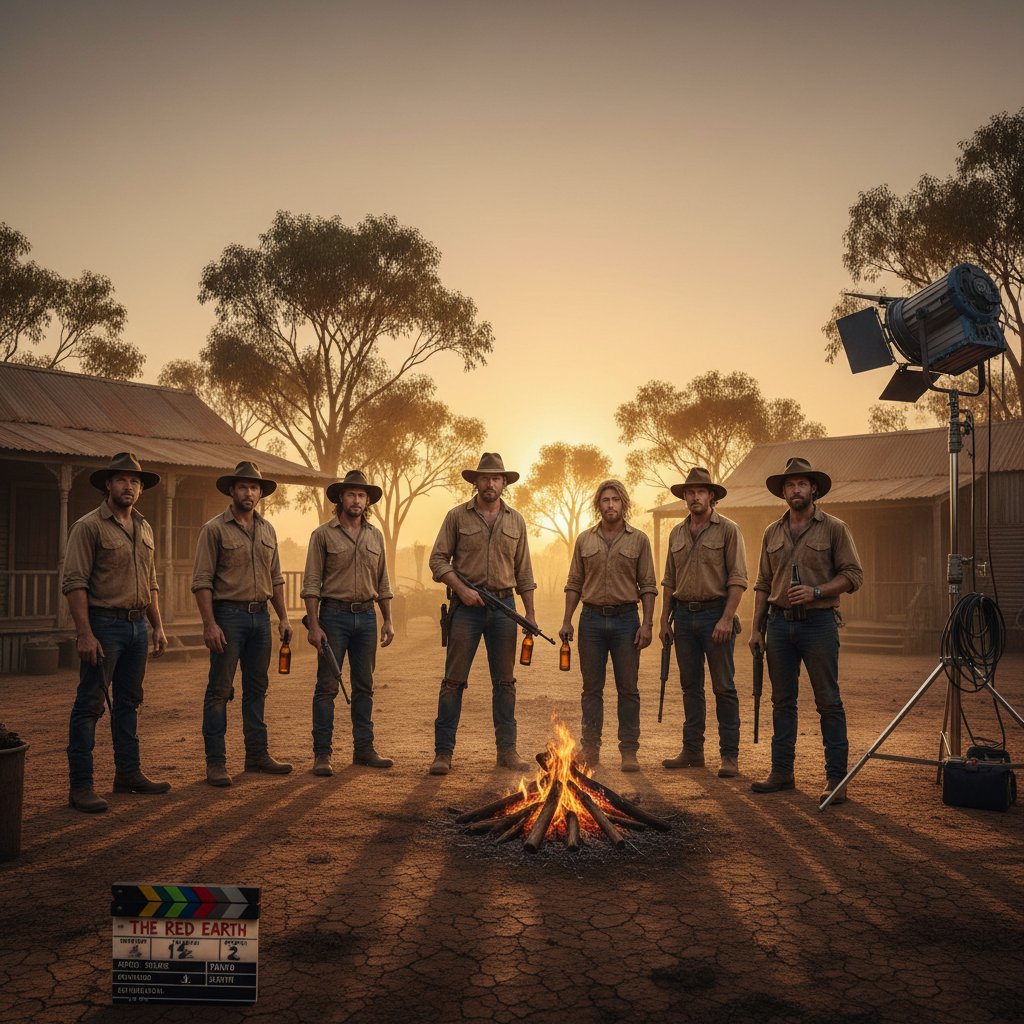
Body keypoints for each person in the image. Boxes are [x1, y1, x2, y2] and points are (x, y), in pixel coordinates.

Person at [748, 456, 863, 804]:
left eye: (802, 484)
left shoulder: (834, 528)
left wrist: (816, 591)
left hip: (819, 624)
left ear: (813, 488)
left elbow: (853, 576)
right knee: (782, 702)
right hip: (779, 625)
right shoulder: (772, 532)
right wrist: (756, 629)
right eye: (789, 485)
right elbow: (762, 584)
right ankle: (782, 772)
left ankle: (836, 780)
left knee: (828, 702)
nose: (795, 489)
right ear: (783, 491)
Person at [62, 452, 170, 813]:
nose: (130, 486)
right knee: (90, 704)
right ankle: (81, 787)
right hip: (104, 626)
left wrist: (157, 626)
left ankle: (127, 774)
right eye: (122, 479)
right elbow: (74, 582)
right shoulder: (88, 526)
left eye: (135, 481)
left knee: (129, 703)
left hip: (138, 626)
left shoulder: (145, 527)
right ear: (108, 484)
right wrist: (84, 633)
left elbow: (151, 582)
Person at [427, 453, 537, 775]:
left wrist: (529, 613)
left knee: (505, 683)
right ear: (476, 482)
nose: (491, 483)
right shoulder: (456, 517)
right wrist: (461, 589)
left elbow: (524, 573)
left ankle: (507, 752)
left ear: (504, 483)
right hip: (466, 610)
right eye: (485, 478)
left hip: (505, 609)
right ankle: (443, 754)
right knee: (453, 681)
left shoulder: (516, 520)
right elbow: (437, 560)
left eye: (496, 478)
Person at [192, 461, 293, 787]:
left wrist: (284, 618)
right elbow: (202, 581)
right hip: (228, 618)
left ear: (260, 494)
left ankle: (257, 756)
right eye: (243, 487)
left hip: (261, 618)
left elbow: (275, 579)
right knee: (220, 690)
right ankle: (216, 764)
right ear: (232, 491)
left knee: (257, 689)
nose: (248, 493)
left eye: (254, 488)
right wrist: (210, 624)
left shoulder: (268, 530)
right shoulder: (214, 529)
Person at [302, 470, 395, 776]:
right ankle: (322, 755)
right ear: (341, 498)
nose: (357, 500)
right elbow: (312, 583)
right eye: (351, 494)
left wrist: (388, 620)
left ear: (367, 501)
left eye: (362, 496)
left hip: (367, 616)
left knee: (364, 686)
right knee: (327, 686)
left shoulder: (375, 536)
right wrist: (314, 625)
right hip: (333, 616)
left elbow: (383, 582)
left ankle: (364, 750)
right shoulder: (322, 535)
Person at [560, 480, 657, 772]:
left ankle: (629, 751)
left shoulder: (639, 540)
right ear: (598, 505)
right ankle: (591, 749)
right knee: (591, 690)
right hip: (590, 620)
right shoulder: (584, 540)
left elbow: (648, 586)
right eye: (605, 500)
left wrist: (648, 625)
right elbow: (574, 583)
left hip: (627, 620)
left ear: (624, 503)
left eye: (615, 499)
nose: (611, 505)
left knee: (628, 689)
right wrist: (567, 619)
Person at [659, 467, 747, 778]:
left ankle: (729, 756)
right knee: (690, 687)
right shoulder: (676, 533)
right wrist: (663, 621)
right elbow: (669, 580)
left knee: (724, 687)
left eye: (701, 491)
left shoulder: (728, 531)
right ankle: (693, 751)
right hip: (682, 617)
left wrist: (726, 618)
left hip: (715, 615)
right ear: (684, 497)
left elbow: (738, 579)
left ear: (711, 496)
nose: (695, 497)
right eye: (690, 492)